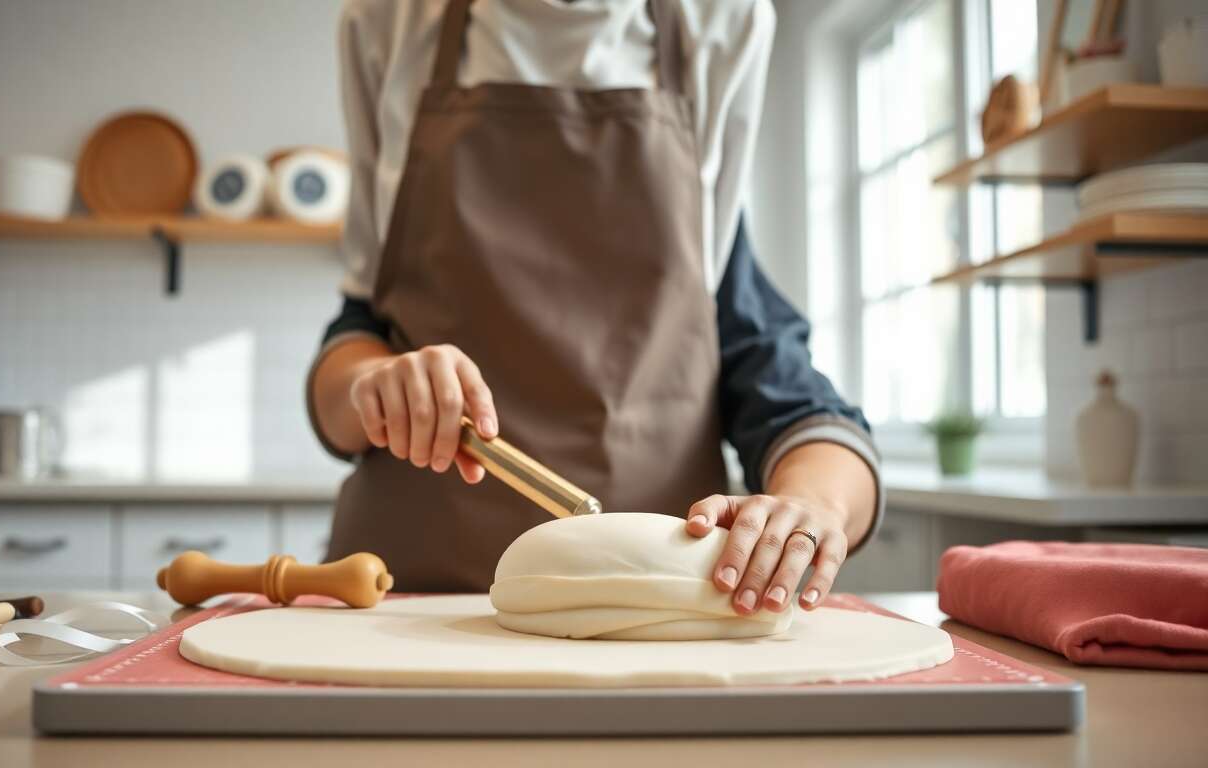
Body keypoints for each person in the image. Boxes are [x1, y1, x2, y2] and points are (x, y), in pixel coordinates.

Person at [306, 0, 882, 618]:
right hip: (404, 604)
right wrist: (378, 388)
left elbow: (785, 391)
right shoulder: (386, 25)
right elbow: (358, 334)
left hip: (646, 611)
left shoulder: (720, 26)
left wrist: (813, 506)